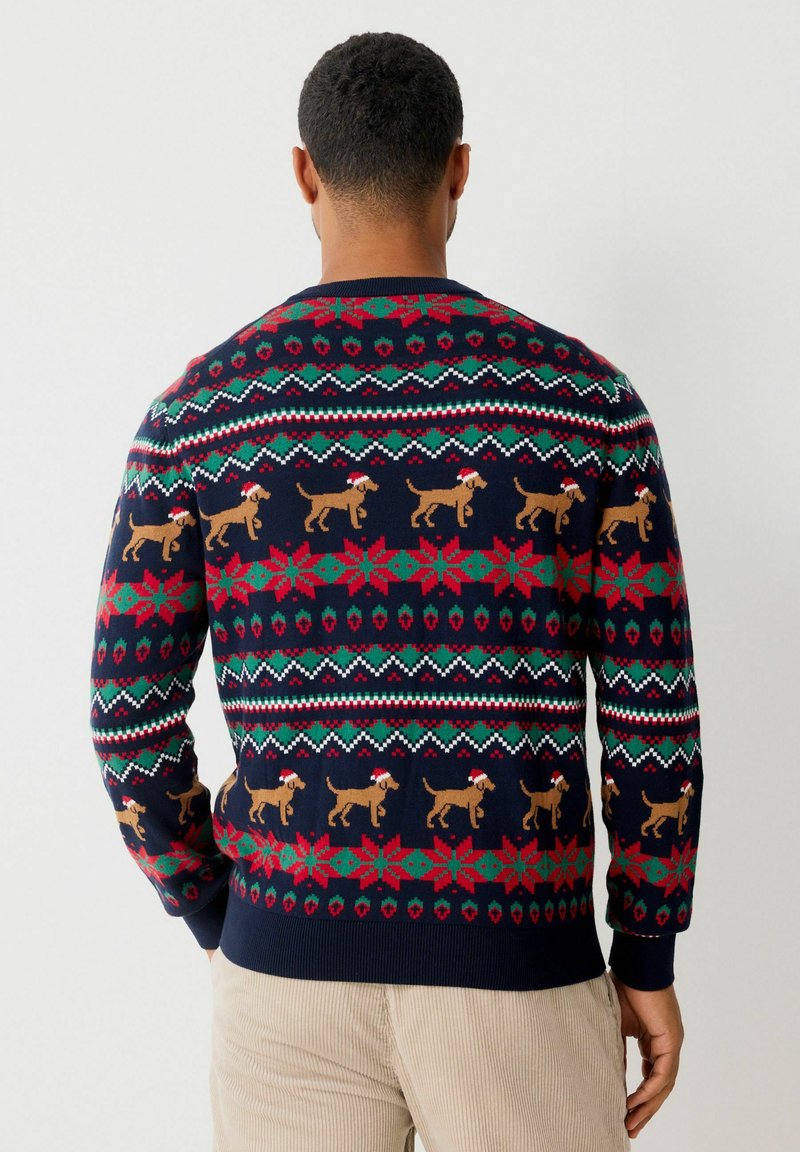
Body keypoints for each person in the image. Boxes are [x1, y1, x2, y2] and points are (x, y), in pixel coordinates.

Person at [88, 30, 703, 1152]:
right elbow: (650, 714)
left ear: (304, 172)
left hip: (284, 979)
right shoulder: (585, 406)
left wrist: (225, 911)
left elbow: (127, 710)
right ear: (459, 169)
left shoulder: (200, 416)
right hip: (519, 970)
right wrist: (648, 950)